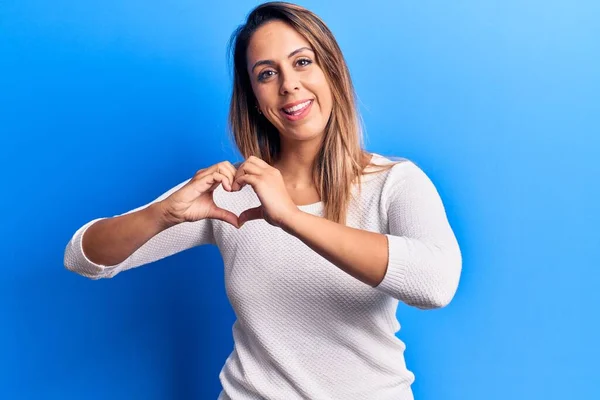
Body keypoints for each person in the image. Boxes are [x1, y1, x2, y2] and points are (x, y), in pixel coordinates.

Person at [63, 2, 462, 399]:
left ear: (332, 71)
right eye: (267, 74)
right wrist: (161, 215)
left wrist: (291, 217)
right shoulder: (232, 192)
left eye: (302, 62)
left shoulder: (393, 182)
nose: (288, 84)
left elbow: (435, 283)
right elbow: (82, 257)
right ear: (254, 96)